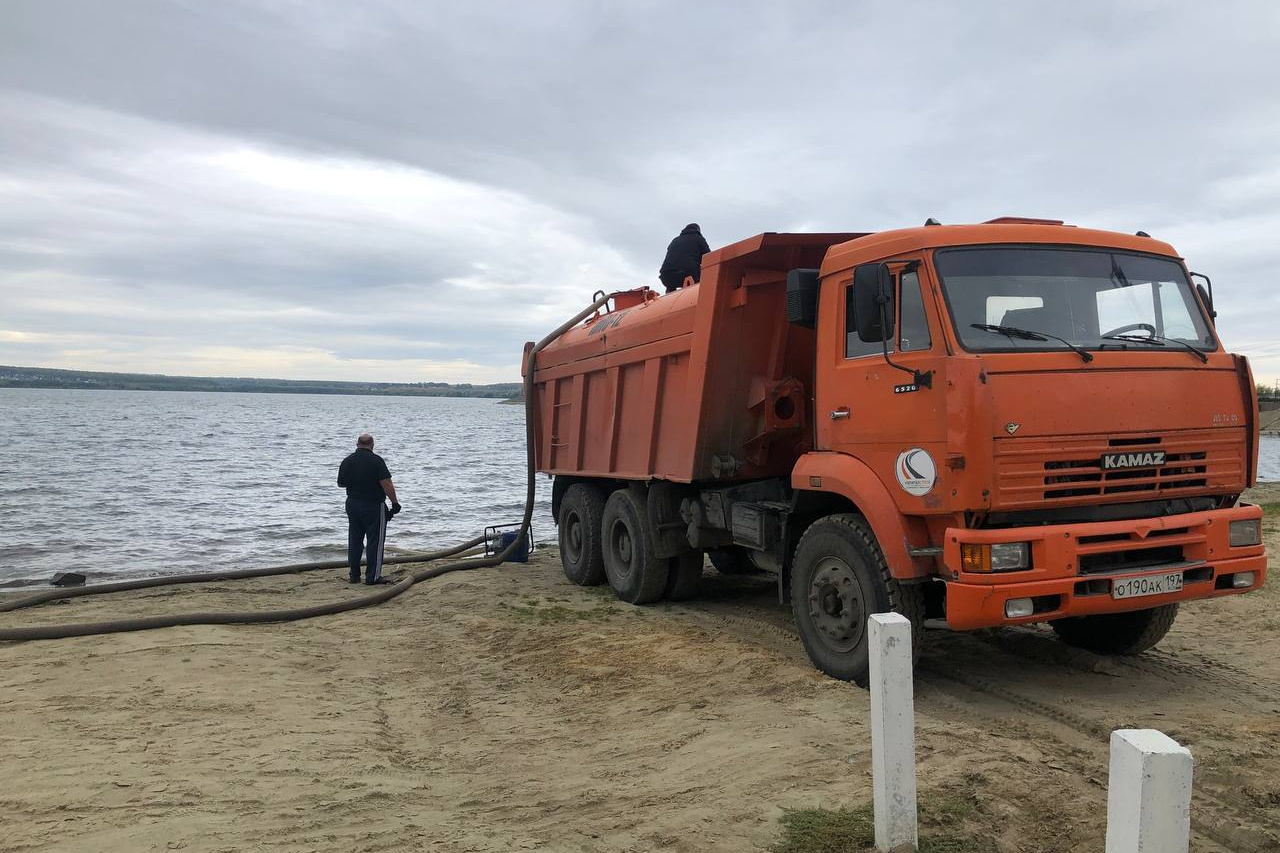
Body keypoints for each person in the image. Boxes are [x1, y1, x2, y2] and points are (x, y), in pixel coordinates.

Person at [337, 433, 400, 585]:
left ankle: (354, 575)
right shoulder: (376, 461)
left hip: (352, 503)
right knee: (375, 541)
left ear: (357, 444)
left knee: (355, 539)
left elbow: (341, 484)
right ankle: (373, 576)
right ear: (372, 445)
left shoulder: (347, 461)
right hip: (373, 505)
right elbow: (386, 483)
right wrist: (395, 503)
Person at [658, 223, 711, 293]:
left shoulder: (675, 240)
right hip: (688, 274)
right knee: (709, 274)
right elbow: (709, 258)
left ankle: (670, 293)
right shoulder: (699, 239)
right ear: (698, 231)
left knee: (672, 275)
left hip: (666, 277)